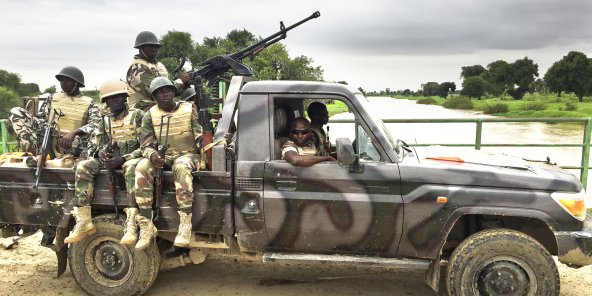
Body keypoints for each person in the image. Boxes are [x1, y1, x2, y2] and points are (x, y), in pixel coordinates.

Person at [64, 80, 145, 244]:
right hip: (112, 160)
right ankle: (84, 220)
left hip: (133, 159)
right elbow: (96, 145)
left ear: (125, 98)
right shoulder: (105, 122)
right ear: (106, 102)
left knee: (129, 167)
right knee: (83, 166)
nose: (115, 101)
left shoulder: (138, 116)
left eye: (118, 97)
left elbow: (147, 146)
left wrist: (123, 159)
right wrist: (101, 153)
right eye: (110, 98)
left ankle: (132, 222)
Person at [134, 77, 202, 249]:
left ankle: (185, 223)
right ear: (155, 96)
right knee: (142, 167)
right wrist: (152, 156)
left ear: (173, 91)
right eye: (160, 92)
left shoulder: (188, 108)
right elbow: (146, 144)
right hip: (163, 156)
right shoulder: (150, 115)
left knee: (180, 166)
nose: (165, 93)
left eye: (168, 90)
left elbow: (200, 136)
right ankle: (146, 224)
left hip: (188, 155)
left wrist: (208, 152)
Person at [8, 66, 100, 157]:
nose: (63, 83)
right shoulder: (52, 98)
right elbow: (42, 119)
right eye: (61, 80)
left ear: (76, 82)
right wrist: (51, 132)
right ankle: (37, 153)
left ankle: (47, 154)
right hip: (49, 138)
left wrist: (74, 132)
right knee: (16, 111)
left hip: (72, 143)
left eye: (67, 80)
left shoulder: (89, 102)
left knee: (94, 136)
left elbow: (96, 123)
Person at [126, 31, 189, 111]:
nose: (154, 49)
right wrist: (181, 81)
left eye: (156, 46)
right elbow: (156, 91)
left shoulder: (158, 65)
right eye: (150, 46)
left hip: (158, 106)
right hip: (141, 109)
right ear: (140, 48)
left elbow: (169, 93)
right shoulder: (138, 67)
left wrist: (186, 84)